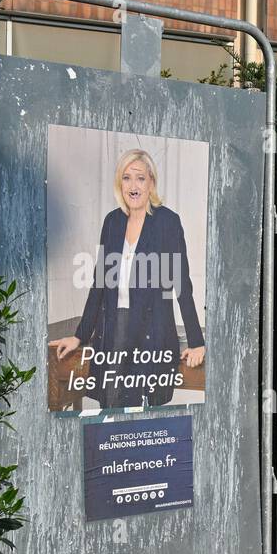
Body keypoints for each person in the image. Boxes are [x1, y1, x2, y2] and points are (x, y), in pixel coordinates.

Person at [49, 149, 205, 409]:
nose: (133, 186)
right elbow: (100, 283)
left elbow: (182, 285)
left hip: (150, 333)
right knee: (111, 409)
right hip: (113, 332)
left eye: (140, 178)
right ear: (119, 184)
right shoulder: (112, 222)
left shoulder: (168, 221)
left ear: (151, 183)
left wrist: (196, 341)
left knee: (142, 416)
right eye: (127, 178)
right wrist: (80, 335)